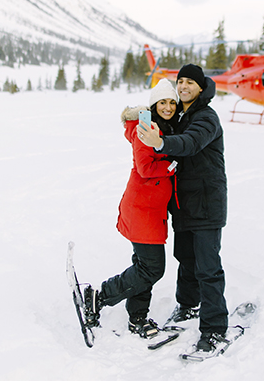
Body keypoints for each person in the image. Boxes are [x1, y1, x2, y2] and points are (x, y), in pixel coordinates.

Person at [139, 64, 229, 353]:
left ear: (201, 87)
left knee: (207, 267)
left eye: (190, 82)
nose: (184, 87)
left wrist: (162, 142)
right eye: (180, 82)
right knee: (186, 259)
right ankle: (188, 305)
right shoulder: (179, 115)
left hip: (206, 202)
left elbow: (190, 143)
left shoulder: (206, 117)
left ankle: (214, 328)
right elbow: (154, 117)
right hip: (183, 204)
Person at [82, 79, 179, 338]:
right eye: (162, 102)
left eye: (172, 102)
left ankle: (138, 316)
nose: (168, 106)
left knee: (143, 266)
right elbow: (146, 168)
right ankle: (99, 297)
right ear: (154, 105)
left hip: (150, 210)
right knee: (152, 268)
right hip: (142, 209)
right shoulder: (145, 128)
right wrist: (172, 166)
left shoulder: (163, 127)